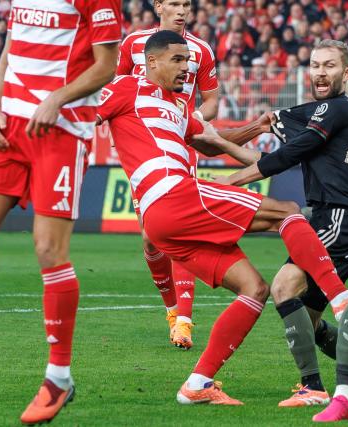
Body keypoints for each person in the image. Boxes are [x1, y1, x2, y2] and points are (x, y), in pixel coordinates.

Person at [98, 30, 348, 405]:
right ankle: (341, 298)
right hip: (172, 193)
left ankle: (198, 384)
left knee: (254, 289)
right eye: (178, 60)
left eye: (189, 60)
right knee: (287, 212)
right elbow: (80, 116)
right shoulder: (123, 88)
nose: (188, 68)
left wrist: (258, 149)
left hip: (164, 222)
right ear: (151, 62)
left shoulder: (180, 107)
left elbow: (213, 140)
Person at [194, 40, 348, 408]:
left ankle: (312, 387)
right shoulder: (326, 113)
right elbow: (270, 155)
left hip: (338, 217)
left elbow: (290, 154)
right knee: (310, 321)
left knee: (283, 287)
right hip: (333, 216)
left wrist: (234, 180)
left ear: (347, 74)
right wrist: (227, 150)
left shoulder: (334, 110)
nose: (320, 72)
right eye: (315, 65)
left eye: (330, 65)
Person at [0, 1, 121, 424]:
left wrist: (56, 98)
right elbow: (9, 50)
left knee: (47, 250)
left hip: (61, 131)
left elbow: (107, 64)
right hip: (9, 129)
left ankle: (58, 377)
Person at [116, 0, 219, 350]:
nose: (181, 10)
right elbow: (118, 88)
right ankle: (173, 311)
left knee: (178, 232)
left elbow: (213, 100)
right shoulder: (134, 44)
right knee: (150, 238)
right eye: (174, 3)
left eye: (186, 5)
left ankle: (184, 321)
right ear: (158, 5)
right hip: (145, 149)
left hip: (180, 148)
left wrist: (191, 123)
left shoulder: (202, 50)